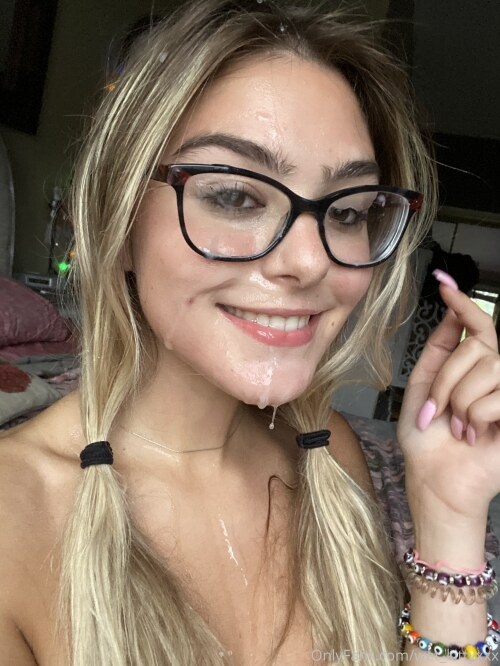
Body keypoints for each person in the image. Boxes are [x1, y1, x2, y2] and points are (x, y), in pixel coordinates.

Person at [1, 0, 499, 664]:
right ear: (118, 218)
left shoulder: (328, 455)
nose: (311, 261)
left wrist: (449, 518)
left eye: (348, 211)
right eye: (235, 195)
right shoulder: (13, 520)